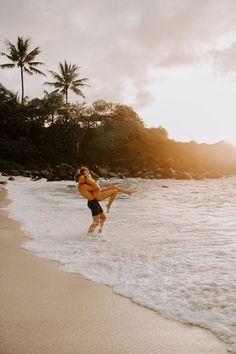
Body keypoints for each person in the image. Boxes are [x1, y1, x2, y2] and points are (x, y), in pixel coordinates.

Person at [75, 167, 134, 235]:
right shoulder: (83, 185)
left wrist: (107, 187)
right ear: (78, 180)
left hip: (94, 202)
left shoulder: (86, 182)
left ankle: (99, 232)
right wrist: (91, 181)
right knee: (96, 222)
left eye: (87, 172)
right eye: (84, 175)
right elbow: (97, 188)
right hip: (93, 203)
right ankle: (88, 235)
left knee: (103, 218)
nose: (86, 175)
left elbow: (97, 190)